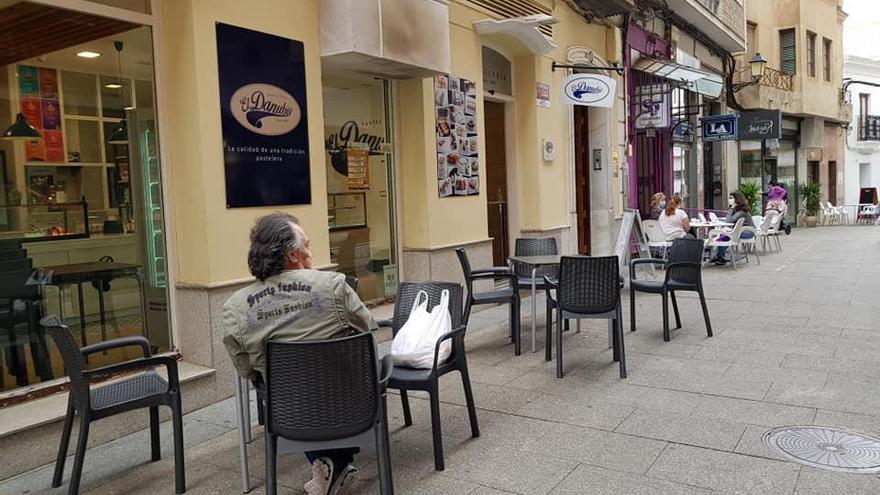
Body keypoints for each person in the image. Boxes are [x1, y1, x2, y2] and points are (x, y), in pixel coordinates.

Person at [223, 213, 376, 495]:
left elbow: (247, 371)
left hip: (289, 414)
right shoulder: (333, 286)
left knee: (290, 390)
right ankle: (338, 462)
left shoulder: (235, 308)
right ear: (293, 255)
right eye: (307, 244)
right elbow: (367, 329)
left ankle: (326, 463)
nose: (311, 251)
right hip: (351, 407)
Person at [710, 190, 755, 265]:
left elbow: (729, 221)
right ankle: (719, 256)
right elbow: (730, 220)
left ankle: (720, 256)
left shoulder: (741, 211)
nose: (729, 200)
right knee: (724, 235)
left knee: (727, 236)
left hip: (748, 231)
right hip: (740, 230)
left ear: (737, 200)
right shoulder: (738, 210)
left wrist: (730, 209)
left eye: (731, 198)